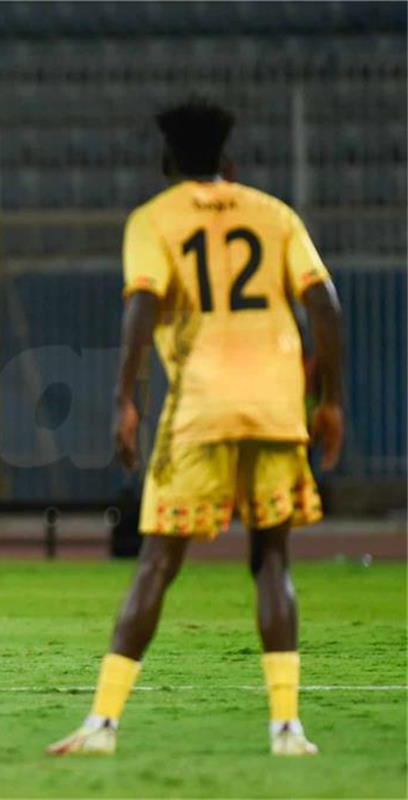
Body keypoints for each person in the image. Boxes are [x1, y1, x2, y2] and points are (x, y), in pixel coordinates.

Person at [48, 100, 343, 756]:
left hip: (201, 407)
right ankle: (287, 729)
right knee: (272, 560)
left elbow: (142, 304)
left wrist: (124, 400)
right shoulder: (275, 214)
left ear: (168, 163)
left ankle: (102, 725)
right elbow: (325, 304)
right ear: (228, 163)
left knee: (157, 562)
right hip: (276, 408)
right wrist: (331, 402)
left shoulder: (155, 219)